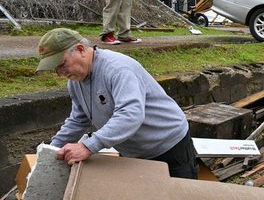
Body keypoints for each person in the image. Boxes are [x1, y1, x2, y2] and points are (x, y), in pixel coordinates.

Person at [36, 28, 198, 179]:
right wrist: (52, 151)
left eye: (62, 64)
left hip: (168, 145)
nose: (60, 73)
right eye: (55, 69)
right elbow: (79, 120)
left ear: (80, 49)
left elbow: (131, 115)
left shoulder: (118, 70)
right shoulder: (76, 81)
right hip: (134, 152)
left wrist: (88, 146)